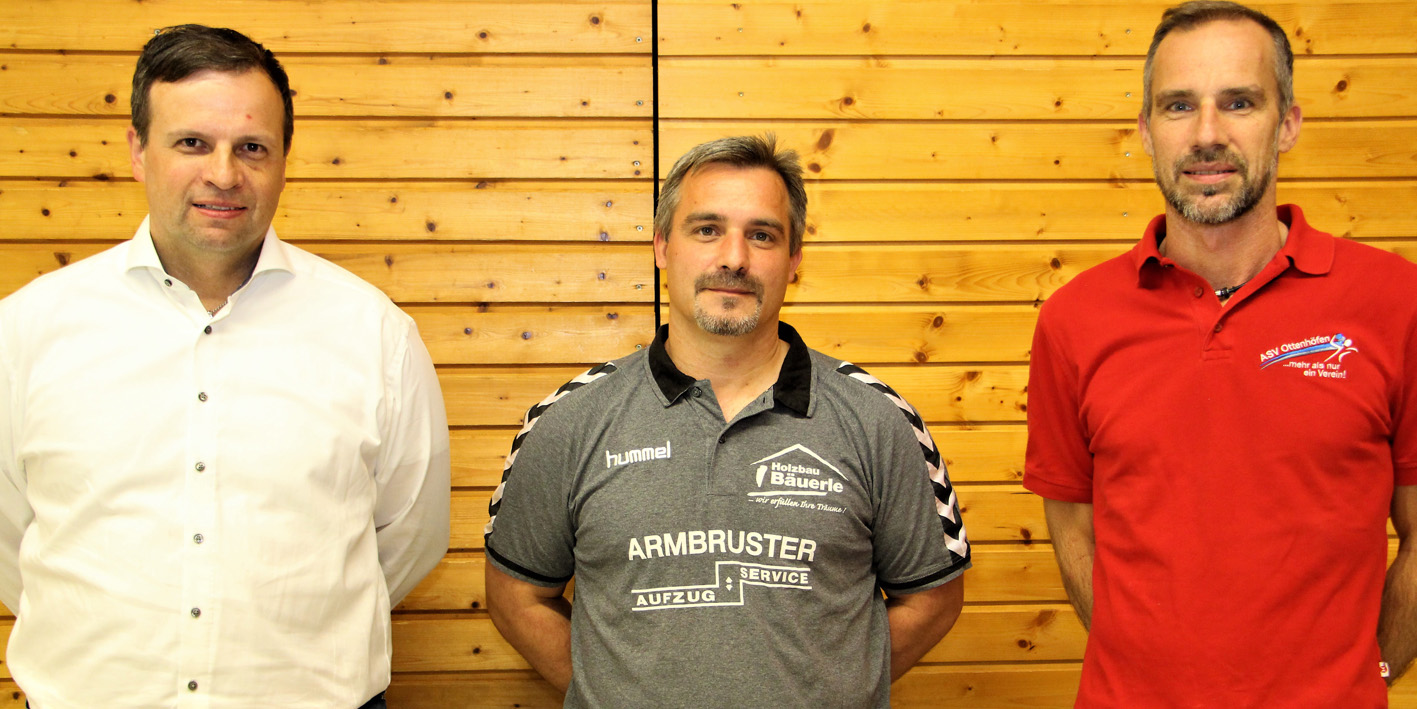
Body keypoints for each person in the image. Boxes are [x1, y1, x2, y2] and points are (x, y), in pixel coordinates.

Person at [0, 25, 450, 708]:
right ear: (137, 151)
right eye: (192, 143)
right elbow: (11, 538)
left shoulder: (375, 334)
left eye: (251, 147)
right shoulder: (26, 330)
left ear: (283, 159)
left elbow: (410, 537)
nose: (223, 173)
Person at [483, 135, 970, 707]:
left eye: (762, 235)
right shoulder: (570, 419)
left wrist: (837, 690)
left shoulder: (879, 419)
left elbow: (932, 599)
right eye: (707, 229)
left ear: (794, 259)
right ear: (662, 246)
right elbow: (516, 598)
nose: (734, 258)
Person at [1024, 1, 1417, 705]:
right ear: (1146, 131)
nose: (1207, 134)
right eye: (1179, 106)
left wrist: (1372, 673)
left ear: (1287, 123)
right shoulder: (1073, 320)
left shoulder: (1395, 301)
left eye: (1239, 102)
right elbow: (1071, 522)